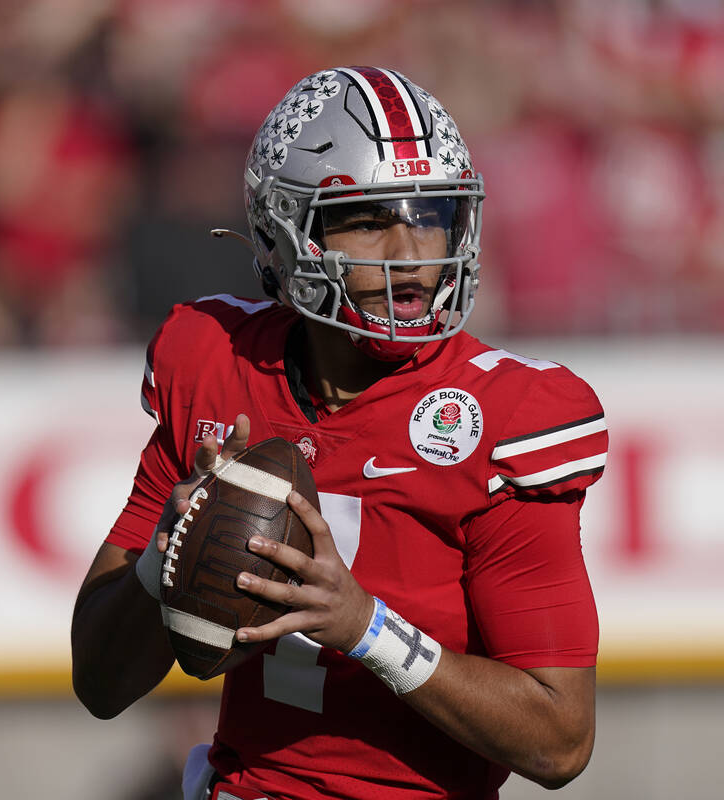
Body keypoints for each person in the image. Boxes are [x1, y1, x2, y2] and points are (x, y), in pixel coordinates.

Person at [72, 66, 609, 800]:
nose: (412, 252)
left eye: (432, 214)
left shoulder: (512, 414)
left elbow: (560, 740)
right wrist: (167, 555)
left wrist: (364, 627)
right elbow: (99, 682)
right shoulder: (213, 360)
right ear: (283, 231)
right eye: (369, 218)